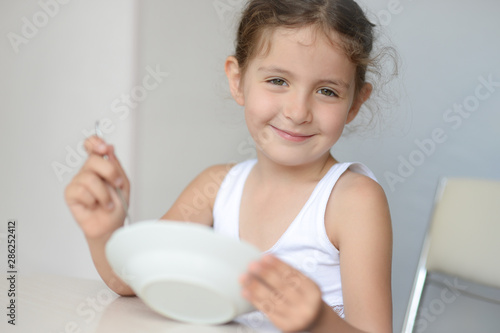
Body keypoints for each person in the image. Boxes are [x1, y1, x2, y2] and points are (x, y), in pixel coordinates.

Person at [65, 0, 393, 332]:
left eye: (327, 91)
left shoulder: (354, 201)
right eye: (278, 81)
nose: (297, 112)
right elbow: (132, 282)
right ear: (237, 80)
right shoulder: (216, 187)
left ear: (354, 104)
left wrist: (318, 321)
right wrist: (104, 232)